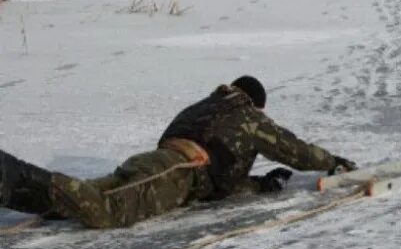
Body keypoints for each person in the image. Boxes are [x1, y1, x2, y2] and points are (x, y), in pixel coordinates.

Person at [0, 76, 356, 229]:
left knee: (84, 200)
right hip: (175, 170)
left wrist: (260, 184)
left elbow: (216, 183)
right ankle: (11, 173)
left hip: (164, 167)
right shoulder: (245, 116)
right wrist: (332, 162)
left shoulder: (209, 106)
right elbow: (292, 148)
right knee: (108, 211)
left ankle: (13, 188)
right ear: (255, 105)